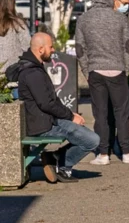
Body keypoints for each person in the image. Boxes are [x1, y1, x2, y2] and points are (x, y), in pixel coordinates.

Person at [74, 0, 129, 165]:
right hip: (117, 70)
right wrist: (127, 68)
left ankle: (103, 154)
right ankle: (126, 151)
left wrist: (86, 70)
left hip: (95, 71)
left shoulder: (83, 19)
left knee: (100, 114)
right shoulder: (119, 18)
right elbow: (128, 46)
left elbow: (80, 48)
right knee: (121, 113)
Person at [16, 32, 99, 183]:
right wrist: (70, 116)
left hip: (48, 120)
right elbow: (46, 103)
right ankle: (62, 164)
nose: (53, 50)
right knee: (91, 140)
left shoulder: (35, 67)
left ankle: (55, 158)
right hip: (42, 126)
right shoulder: (32, 72)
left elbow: (51, 100)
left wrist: (71, 114)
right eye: (51, 47)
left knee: (91, 138)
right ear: (41, 49)